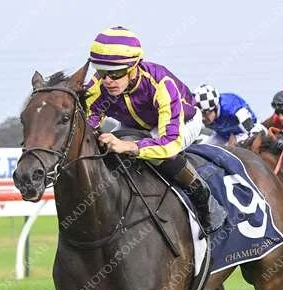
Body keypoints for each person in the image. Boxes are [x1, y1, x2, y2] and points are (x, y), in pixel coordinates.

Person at [84, 26, 226, 234]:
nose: (107, 80)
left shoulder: (160, 83)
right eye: (102, 71)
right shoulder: (98, 85)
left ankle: (206, 201)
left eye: (115, 73)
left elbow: (169, 143)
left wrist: (129, 146)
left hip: (181, 122)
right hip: (135, 125)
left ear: (134, 66)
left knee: (158, 156)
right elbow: (89, 119)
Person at [192, 84, 264, 145]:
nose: (202, 118)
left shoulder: (234, 110)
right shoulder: (204, 112)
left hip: (246, 132)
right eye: (199, 113)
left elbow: (255, 132)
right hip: (223, 135)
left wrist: (238, 140)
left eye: (205, 113)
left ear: (215, 107)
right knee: (204, 149)